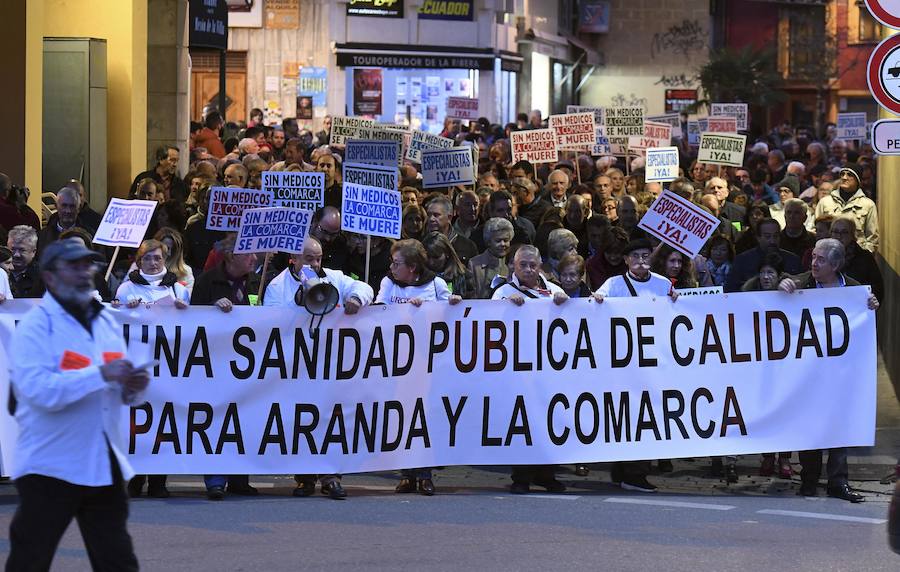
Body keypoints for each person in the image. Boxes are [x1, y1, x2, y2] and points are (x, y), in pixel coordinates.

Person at [6, 239, 150, 571]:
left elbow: (117, 387)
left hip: (101, 461)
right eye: (74, 266)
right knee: (30, 560)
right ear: (51, 277)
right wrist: (100, 373)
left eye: (87, 265)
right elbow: (40, 392)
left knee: (117, 561)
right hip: (51, 466)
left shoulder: (105, 320)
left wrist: (132, 389)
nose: (85, 272)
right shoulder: (35, 327)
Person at [264, 236, 374, 500]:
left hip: (329, 364)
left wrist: (357, 299)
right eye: (308, 258)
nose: (315, 264)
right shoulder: (277, 286)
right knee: (302, 420)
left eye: (318, 258)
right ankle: (305, 477)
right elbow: (270, 323)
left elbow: (365, 287)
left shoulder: (334, 278)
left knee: (330, 419)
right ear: (294, 258)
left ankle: (331, 477)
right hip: (297, 365)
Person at [778, 238, 879, 502]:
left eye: (821, 259)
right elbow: (776, 296)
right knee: (809, 426)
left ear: (835, 265)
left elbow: (863, 323)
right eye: (813, 257)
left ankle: (838, 482)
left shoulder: (854, 290)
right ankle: (809, 480)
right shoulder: (801, 283)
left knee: (839, 426)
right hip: (808, 373)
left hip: (841, 373)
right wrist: (782, 286)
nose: (814, 262)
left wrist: (870, 306)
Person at [376, 239, 462, 495]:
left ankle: (425, 475)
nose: (392, 266)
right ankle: (406, 476)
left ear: (412, 267)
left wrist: (450, 303)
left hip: (427, 364)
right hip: (396, 363)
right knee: (402, 419)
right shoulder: (388, 283)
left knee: (424, 420)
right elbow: (378, 310)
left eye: (397, 263)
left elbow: (450, 312)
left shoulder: (435, 284)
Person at [594, 238, 678, 493]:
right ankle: (627, 472)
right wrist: (597, 300)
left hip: (653, 363)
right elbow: (596, 305)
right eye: (635, 256)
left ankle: (633, 472)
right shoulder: (614, 284)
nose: (641, 261)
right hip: (622, 365)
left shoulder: (663, 284)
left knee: (646, 418)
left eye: (645, 255)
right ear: (626, 260)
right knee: (627, 417)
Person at [491, 245, 569, 494]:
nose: (527, 269)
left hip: (548, 370)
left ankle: (546, 474)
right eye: (522, 264)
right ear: (513, 266)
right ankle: (521, 477)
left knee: (548, 422)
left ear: (540, 267)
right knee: (522, 423)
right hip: (517, 369)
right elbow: (490, 324)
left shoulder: (555, 291)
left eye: (531, 265)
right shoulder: (502, 291)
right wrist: (504, 306)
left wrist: (564, 304)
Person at [190, 234, 260, 499]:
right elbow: (191, 323)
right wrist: (211, 309)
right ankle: (215, 479)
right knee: (218, 420)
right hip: (216, 364)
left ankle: (241, 479)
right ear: (232, 256)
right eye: (249, 254)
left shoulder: (258, 281)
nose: (255, 258)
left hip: (250, 365)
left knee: (245, 419)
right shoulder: (207, 282)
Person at [725, 218, 802, 293]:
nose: (772, 241)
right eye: (767, 236)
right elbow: (731, 290)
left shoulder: (793, 260)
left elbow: (803, 287)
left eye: (775, 236)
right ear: (758, 238)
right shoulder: (742, 261)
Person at [814, 164, 878, 253]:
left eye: (849, 175)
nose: (844, 177)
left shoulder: (868, 205)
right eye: (842, 174)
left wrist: (864, 256)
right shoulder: (825, 202)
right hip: (829, 254)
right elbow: (816, 230)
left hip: (856, 256)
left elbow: (872, 237)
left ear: (857, 179)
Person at [829, 216, 884, 303]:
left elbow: (877, 288)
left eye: (844, 232)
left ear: (852, 235)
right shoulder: (822, 255)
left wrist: (871, 301)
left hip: (855, 306)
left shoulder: (865, 258)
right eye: (835, 232)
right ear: (830, 234)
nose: (839, 236)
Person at [467, 217, 513, 299]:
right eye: (498, 241)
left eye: (506, 240)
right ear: (488, 242)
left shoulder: (514, 264)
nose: (503, 244)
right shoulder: (474, 264)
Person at [424, 195, 478, 265]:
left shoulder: (467, 246)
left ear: (449, 217)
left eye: (436, 215)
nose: (431, 219)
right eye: (429, 215)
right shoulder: (422, 244)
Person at [422, 231, 469, 297]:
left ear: (447, 253)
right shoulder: (418, 276)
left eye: (436, 257)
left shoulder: (465, 276)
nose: (431, 262)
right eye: (428, 257)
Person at [6, 225, 44, 298]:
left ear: (33, 252)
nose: (16, 255)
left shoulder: (44, 277)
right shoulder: (1, 272)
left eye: (22, 250)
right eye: (12, 249)